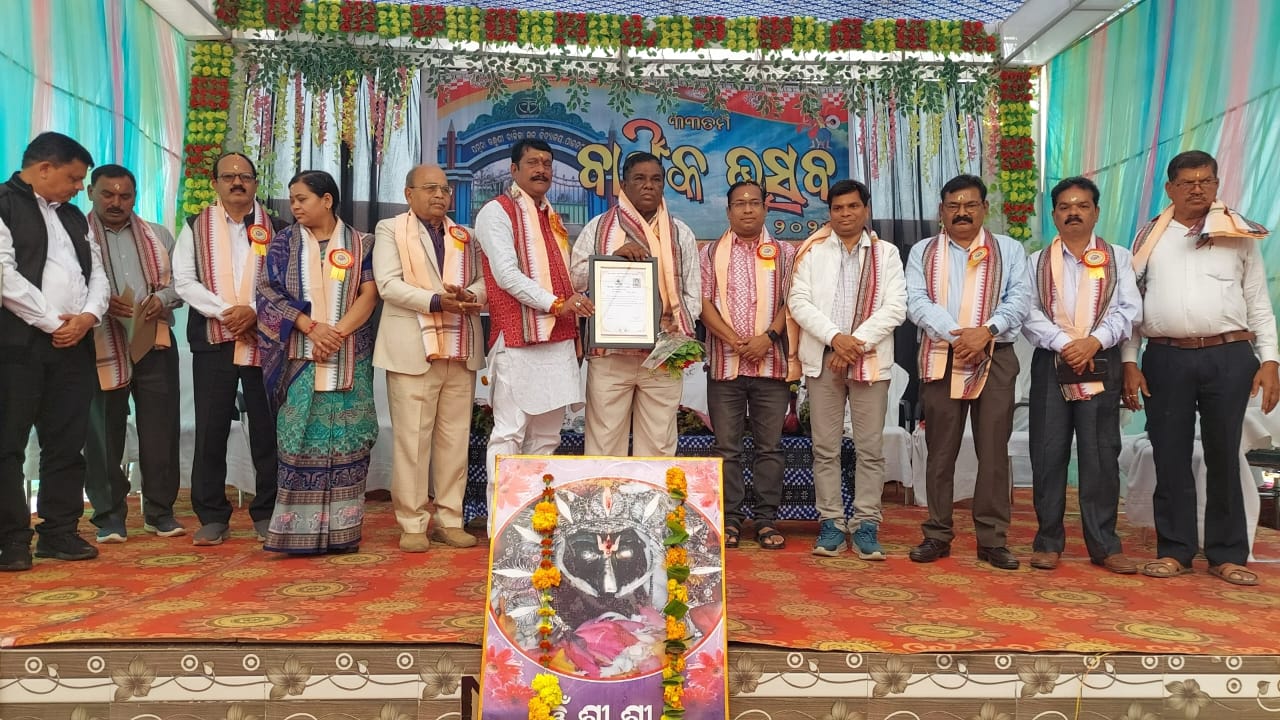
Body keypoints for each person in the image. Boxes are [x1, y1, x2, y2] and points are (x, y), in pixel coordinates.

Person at [1123, 150, 1278, 586]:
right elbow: (1131, 308)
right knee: (1168, 454)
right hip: (1166, 357)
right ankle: (1175, 551)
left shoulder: (1237, 234)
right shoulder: (1149, 239)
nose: (1197, 189)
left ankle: (1227, 554)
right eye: (1187, 182)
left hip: (1229, 357)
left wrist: (1270, 360)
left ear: (1216, 184)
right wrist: (1129, 362)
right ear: (1170, 189)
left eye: (1206, 181)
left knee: (1224, 454)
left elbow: (1258, 302)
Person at [905, 174, 1031, 570]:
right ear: (941, 211)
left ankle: (992, 540)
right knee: (940, 450)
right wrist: (958, 336)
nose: (962, 213)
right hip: (943, 356)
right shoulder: (923, 251)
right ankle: (937, 534)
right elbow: (916, 301)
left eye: (970, 205)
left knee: (993, 450)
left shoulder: (1009, 249)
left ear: (984, 208)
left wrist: (986, 332)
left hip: (996, 355)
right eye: (953, 206)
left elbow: (1020, 298)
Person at [0, 131, 108, 572]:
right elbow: (5, 276)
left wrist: (88, 317)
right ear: (44, 168)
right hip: (18, 346)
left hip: (74, 344)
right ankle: (11, 539)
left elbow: (97, 273)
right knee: (7, 445)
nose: (80, 187)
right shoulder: (4, 204)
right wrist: (52, 322)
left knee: (66, 443)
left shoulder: (74, 216)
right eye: (74, 178)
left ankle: (59, 532)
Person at [256, 170, 379, 555]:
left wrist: (335, 334)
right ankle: (296, 533)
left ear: (326, 200)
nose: (294, 206)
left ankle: (343, 532)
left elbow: (370, 293)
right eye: (292, 199)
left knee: (349, 439)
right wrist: (311, 328)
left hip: (349, 358)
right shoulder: (283, 243)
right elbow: (267, 293)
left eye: (302, 199)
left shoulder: (361, 243)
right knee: (299, 441)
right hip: (300, 360)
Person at [1022, 176, 1140, 574]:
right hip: (1052, 361)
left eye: (1082, 205)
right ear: (1054, 214)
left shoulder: (1117, 257)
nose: (1073, 212)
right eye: (1065, 207)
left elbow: (1129, 310)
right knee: (1047, 453)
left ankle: (1105, 545)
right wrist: (1064, 343)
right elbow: (1028, 312)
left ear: (1096, 212)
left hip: (1100, 361)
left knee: (1101, 453)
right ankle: (1047, 542)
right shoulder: (1036, 261)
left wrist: (1093, 341)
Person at [475, 139, 593, 519]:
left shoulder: (551, 217)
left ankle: (532, 516)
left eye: (547, 163)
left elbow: (565, 277)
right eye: (532, 162)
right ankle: (502, 522)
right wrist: (557, 305)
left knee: (546, 437)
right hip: (518, 338)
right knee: (509, 432)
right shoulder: (496, 212)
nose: (541, 169)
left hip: (557, 339)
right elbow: (506, 275)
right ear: (514, 169)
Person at [788, 179, 905, 559]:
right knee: (825, 447)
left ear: (866, 210)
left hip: (869, 359)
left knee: (870, 447)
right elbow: (798, 302)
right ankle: (832, 523)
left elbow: (895, 308)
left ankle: (867, 523)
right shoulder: (813, 252)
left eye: (853, 206)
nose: (845, 214)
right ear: (830, 213)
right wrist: (836, 338)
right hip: (823, 358)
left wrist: (853, 344)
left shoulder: (886, 254)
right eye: (838, 208)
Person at [174, 152, 285, 546]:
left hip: (264, 341)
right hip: (213, 340)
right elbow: (183, 281)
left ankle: (267, 512)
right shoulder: (194, 226)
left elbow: (287, 283)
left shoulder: (278, 229)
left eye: (245, 177)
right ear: (215, 183)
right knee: (211, 428)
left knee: (268, 430)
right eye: (228, 177)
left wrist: (253, 312)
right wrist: (228, 313)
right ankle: (212, 516)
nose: (237, 183)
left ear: (255, 183)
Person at [373, 164, 485, 553]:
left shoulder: (465, 235)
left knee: (455, 440)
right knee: (412, 441)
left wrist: (470, 296)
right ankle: (412, 522)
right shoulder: (390, 229)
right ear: (408, 194)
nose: (440, 195)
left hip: (459, 348)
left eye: (445, 189)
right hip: (412, 350)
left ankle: (450, 520)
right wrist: (438, 301)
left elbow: (484, 282)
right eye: (430, 188)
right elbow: (388, 284)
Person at [570, 152, 701, 457]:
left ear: (663, 185)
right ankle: (606, 491)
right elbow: (574, 279)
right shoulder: (599, 228)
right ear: (624, 185)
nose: (648, 186)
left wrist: (674, 332)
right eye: (639, 179)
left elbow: (693, 294)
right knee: (604, 443)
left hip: (663, 354)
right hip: (610, 354)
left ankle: (651, 492)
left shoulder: (679, 232)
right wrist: (612, 257)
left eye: (656, 179)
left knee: (659, 443)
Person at [83, 164, 185, 543]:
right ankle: (109, 516)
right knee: (103, 432)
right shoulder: (77, 236)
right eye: (107, 194)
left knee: (161, 429)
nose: (116, 202)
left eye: (124, 196)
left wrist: (162, 299)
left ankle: (160, 512)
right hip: (100, 343)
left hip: (153, 341)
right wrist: (99, 301)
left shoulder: (158, 235)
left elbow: (182, 282)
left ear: (135, 198)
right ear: (90, 193)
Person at [699, 180, 796, 550]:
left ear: (766, 207)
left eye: (754, 202)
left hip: (771, 364)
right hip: (725, 365)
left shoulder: (785, 253)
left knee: (770, 447)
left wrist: (767, 338)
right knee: (727, 448)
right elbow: (702, 303)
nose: (748, 209)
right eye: (739, 204)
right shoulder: (710, 253)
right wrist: (733, 340)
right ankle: (731, 518)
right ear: (728, 211)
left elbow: (793, 301)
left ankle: (766, 519)